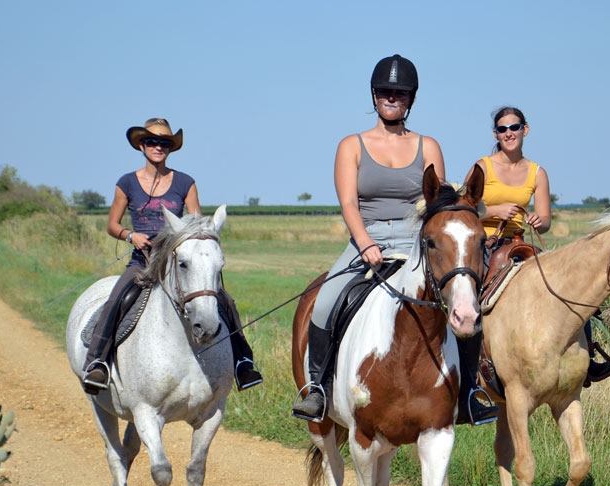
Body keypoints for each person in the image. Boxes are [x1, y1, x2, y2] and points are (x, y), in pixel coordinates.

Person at [291, 54, 498, 425]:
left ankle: (469, 389)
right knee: (324, 304)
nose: (392, 97)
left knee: (461, 299)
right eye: (386, 92)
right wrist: (366, 242)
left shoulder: (428, 146)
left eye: (400, 93)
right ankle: (318, 389)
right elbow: (348, 204)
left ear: (411, 100)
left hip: (416, 242)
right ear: (373, 96)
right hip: (364, 241)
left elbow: (438, 206)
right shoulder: (351, 145)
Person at [81, 117, 263, 394]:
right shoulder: (127, 183)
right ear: (142, 145)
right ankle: (97, 363)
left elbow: (196, 221)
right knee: (119, 297)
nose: (158, 147)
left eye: (164, 142)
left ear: (171, 148)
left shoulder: (185, 182)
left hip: (180, 263)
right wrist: (131, 236)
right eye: (152, 141)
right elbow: (112, 225)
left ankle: (243, 362)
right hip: (144, 261)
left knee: (224, 300)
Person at [471, 106, 610, 385]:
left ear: (525, 130)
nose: (508, 133)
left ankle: (586, 355)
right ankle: (470, 365)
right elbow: (466, 208)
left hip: (518, 243)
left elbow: (546, 220)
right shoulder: (482, 167)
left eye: (514, 127)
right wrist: (496, 210)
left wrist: (539, 219)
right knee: (469, 293)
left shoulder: (537, 172)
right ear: (495, 134)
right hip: (483, 242)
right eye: (502, 129)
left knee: (561, 285)